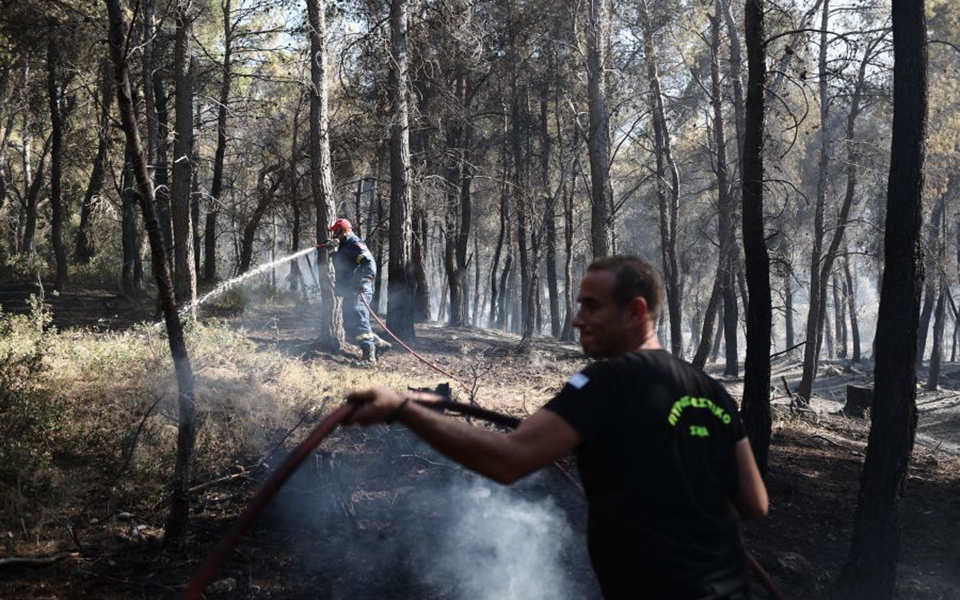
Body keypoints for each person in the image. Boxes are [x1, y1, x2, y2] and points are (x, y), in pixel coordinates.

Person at [346, 255, 768, 599]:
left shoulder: (606, 382)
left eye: (592, 306)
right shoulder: (711, 392)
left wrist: (403, 409)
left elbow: (508, 459)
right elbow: (754, 503)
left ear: (636, 311)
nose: (577, 319)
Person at [323, 218, 389, 363]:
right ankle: (379, 344)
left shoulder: (354, 243)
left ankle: (369, 358)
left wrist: (362, 281)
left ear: (343, 231)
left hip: (359, 290)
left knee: (358, 321)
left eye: (335, 231)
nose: (333, 234)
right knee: (349, 324)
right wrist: (332, 250)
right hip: (351, 290)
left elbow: (369, 264)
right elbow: (343, 264)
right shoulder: (344, 245)